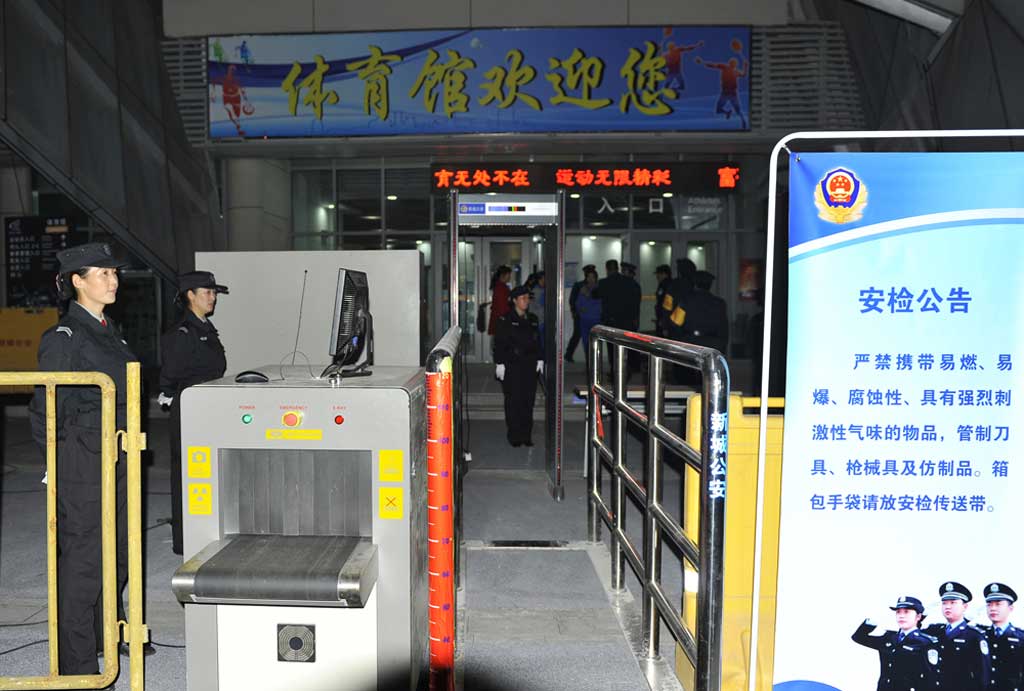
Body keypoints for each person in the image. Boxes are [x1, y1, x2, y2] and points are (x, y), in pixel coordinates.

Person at [28, 242, 150, 673]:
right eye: (102, 273)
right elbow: (46, 410)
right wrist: (59, 465)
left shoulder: (109, 330)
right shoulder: (64, 338)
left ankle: (106, 635)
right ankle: (78, 666)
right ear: (77, 281)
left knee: (117, 554)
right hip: (84, 462)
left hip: (116, 455)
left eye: (114, 273)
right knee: (84, 562)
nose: (113, 280)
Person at [159, 271, 229, 556]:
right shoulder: (183, 332)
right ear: (190, 295)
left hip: (207, 406)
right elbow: (171, 373)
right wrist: (168, 393)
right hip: (190, 408)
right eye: (207, 292)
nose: (213, 298)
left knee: (207, 471)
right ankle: (185, 539)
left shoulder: (205, 328)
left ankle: (206, 531)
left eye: (214, 293)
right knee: (187, 474)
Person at [851, 595, 939, 691]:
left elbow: (932, 677)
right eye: (898, 612)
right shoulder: (888, 638)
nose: (901, 616)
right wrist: (873, 621)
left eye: (906, 612)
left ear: (918, 616)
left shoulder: (925, 642)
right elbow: (858, 637)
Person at [493, 285, 542, 447]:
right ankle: (514, 435)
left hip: (529, 365)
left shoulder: (532, 319)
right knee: (514, 401)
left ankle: (526, 435)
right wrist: (499, 363)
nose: (526, 301)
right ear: (514, 300)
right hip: (512, 365)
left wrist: (540, 359)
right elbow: (499, 343)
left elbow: (538, 340)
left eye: (528, 298)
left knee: (528, 401)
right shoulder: (505, 319)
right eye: (523, 298)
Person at [923, 581, 990, 690]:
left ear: (965, 606)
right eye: (944, 603)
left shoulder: (974, 636)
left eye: (953, 603)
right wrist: (921, 615)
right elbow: (913, 634)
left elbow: (983, 676)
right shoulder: (935, 631)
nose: (947, 607)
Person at [981, 582, 1024, 690]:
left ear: (1010, 608)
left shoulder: (1021, 637)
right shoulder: (979, 635)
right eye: (989, 604)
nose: (992, 608)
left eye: (998, 604)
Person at [684, 270, 729, 354]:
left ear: (695, 284)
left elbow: (675, 323)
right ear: (710, 286)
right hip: (713, 345)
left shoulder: (686, 301)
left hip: (691, 345)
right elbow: (724, 328)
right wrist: (722, 347)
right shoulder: (719, 303)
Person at [565, 264, 596, 362]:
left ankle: (588, 357)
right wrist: (574, 311)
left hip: (592, 316)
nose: (589, 276)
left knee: (589, 337)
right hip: (580, 315)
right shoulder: (578, 285)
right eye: (588, 273)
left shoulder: (596, 285)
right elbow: (572, 300)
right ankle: (569, 354)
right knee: (577, 335)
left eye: (591, 274)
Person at [575, 267, 602, 374]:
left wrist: (588, 297)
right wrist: (580, 309)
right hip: (584, 321)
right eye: (588, 277)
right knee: (586, 345)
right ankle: (589, 368)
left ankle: (597, 369)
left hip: (596, 321)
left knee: (596, 346)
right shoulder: (582, 289)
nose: (590, 279)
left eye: (592, 277)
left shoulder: (599, 289)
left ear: (596, 278)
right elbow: (578, 304)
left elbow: (600, 304)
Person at [487, 265, 512, 337]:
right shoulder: (501, 287)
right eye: (508, 275)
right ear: (502, 275)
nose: (509, 277)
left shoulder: (500, 286)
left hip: (499, 320)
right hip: (501, 321)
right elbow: (502, 307)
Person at [653, 264, 673, 337]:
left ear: (664, 274)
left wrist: (663, 320)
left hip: (664, 317)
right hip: (667, 318)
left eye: (658, 274)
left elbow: (662, 303)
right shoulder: (672, 283)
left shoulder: (664, 285)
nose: (657, 276)